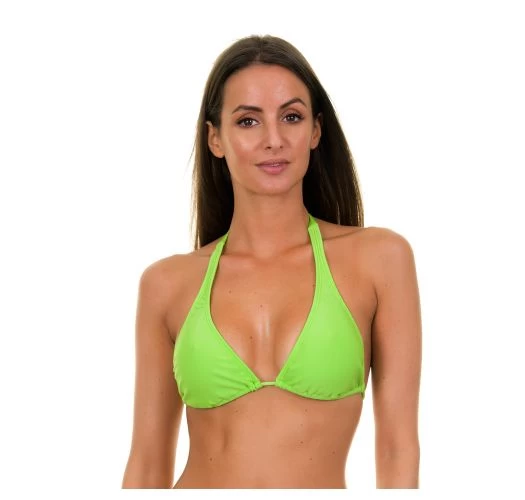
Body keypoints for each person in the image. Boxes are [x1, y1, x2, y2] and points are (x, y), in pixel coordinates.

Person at [122, 34, 422, 489]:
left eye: (291, 117)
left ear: (315, 131)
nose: (274, 140)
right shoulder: (167, 284)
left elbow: (398, 449)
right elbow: (147, 464)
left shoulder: (380, 260)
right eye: (248, 121)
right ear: (215, 139)